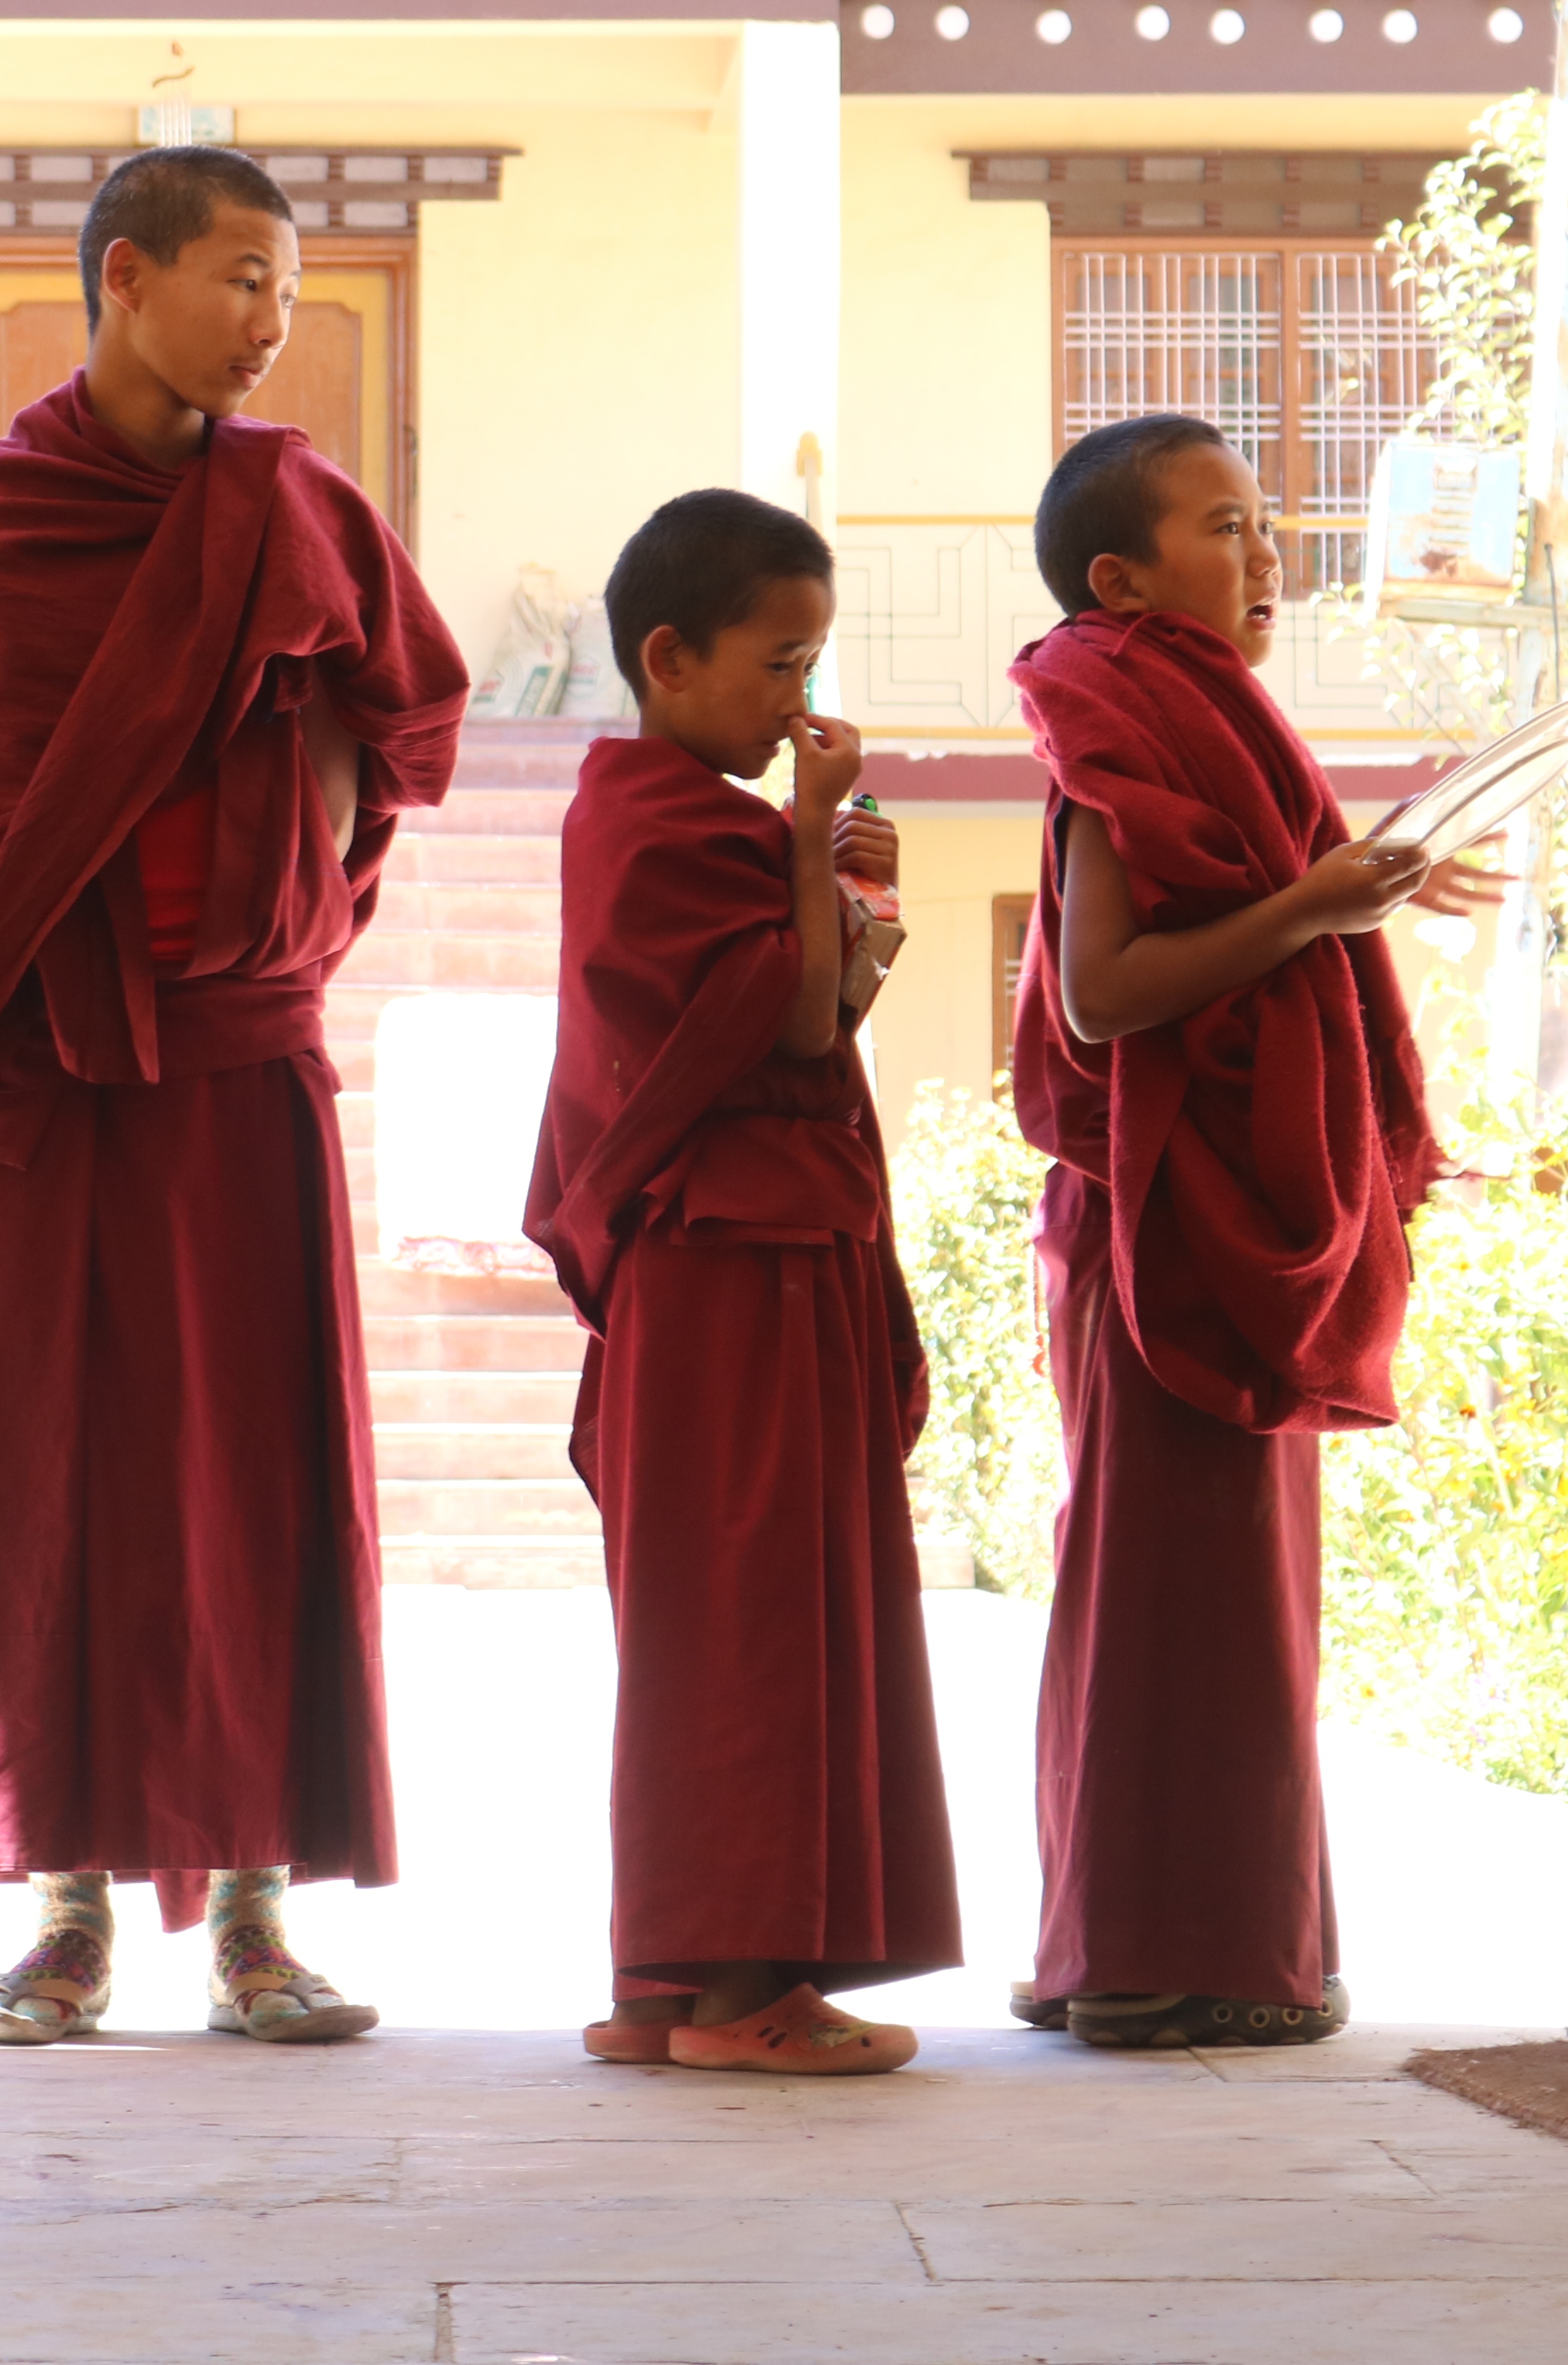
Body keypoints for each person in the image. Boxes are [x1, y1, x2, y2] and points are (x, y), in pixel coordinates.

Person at [0, 146, 469, 2047]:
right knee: (45, 1486)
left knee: (261, 1483)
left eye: (289, 290)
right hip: (51, 1071)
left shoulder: (301, 506)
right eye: (242, 281)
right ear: (126, 279)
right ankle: (63, 1911)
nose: (273, 324)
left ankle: (260, 1913)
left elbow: (410, 716)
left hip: (242, 1055)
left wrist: (304, 860)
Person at [1003, 413, 1496, 2051]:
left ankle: (1164, 1941)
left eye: (1267, 520)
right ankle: (1159, 1954)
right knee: (1173, 1596)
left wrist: (1359, 881)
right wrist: (1316, 907)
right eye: (1225, 525)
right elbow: (1107, 987)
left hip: (1210, 1202)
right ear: (1120, 581)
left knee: (1220, 1595)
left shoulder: (1208, 720)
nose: (1268, 552)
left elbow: (1254, 896)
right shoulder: (1110, 725)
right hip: (1161, 1217)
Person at [524, 489, 959, 2079]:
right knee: (755, 1623)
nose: (801, 703)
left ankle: (674, 1978)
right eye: (779, 665)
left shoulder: (677, 815)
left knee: (721, 1619)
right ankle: (740, 1995)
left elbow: (829, 985)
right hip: (736, 1262)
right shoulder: (657, 818)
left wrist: (856, 899)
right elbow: (785, 1021)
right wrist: (806, 849)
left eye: (813, 662)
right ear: (668, 656)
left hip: (739, 1261)